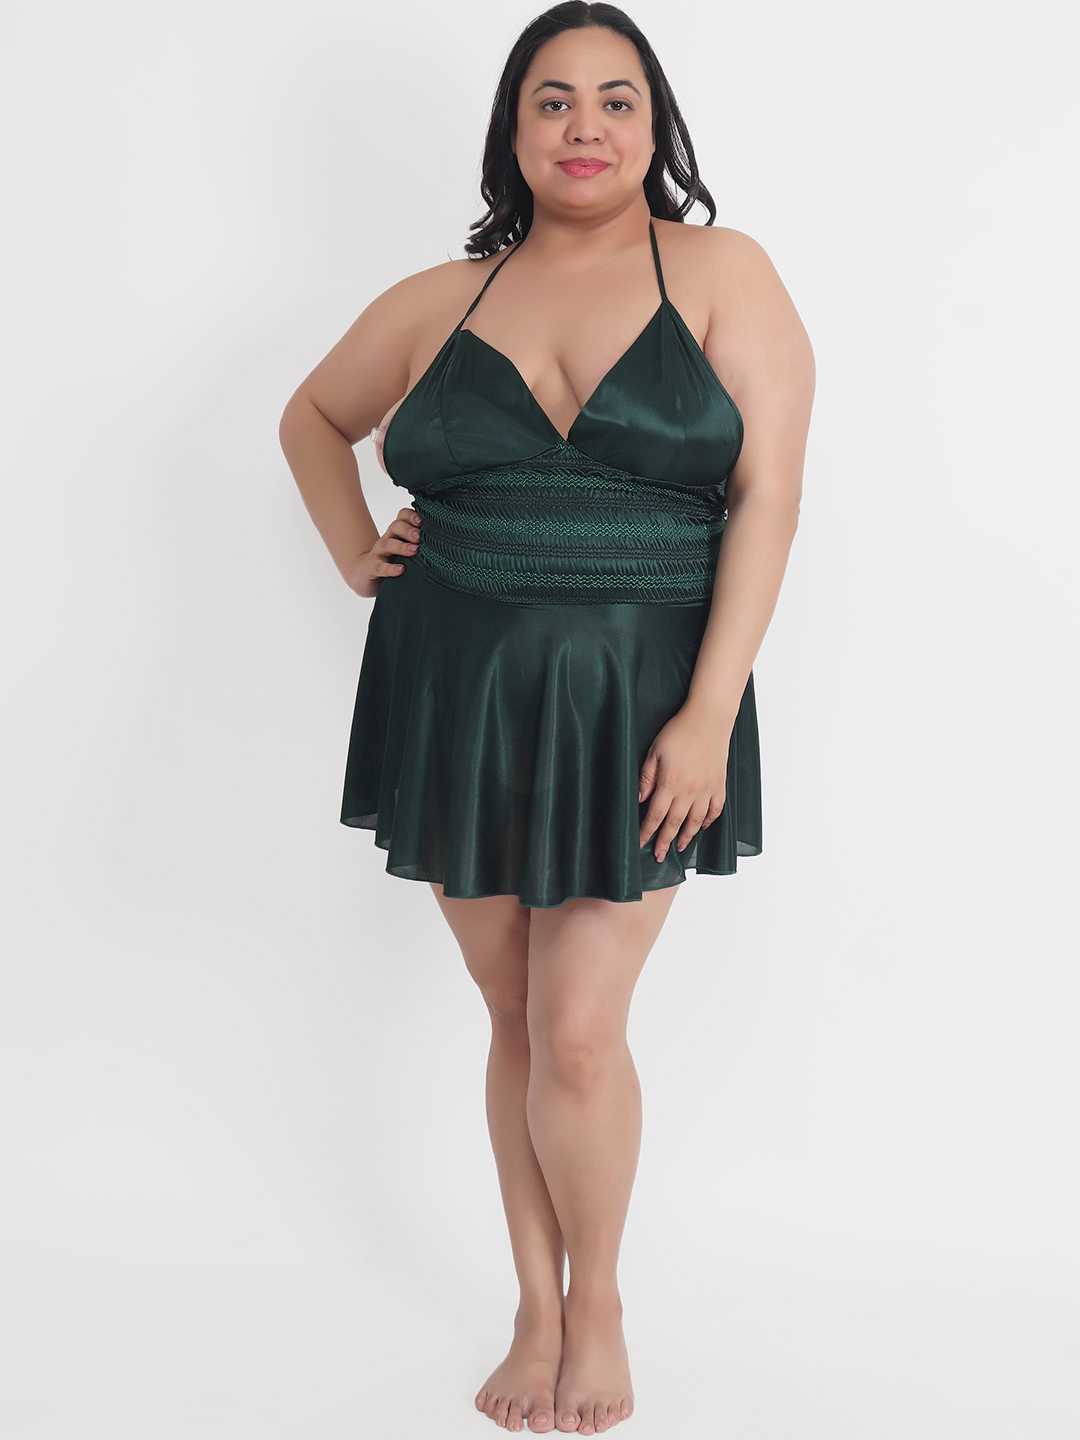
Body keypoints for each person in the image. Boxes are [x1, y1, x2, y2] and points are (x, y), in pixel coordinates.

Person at [278, 4, 814, 1432]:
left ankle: (602, 1309)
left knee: (577, 1028)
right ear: (513, 134)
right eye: (554, 101)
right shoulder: (437, 300)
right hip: (458, 687)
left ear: (656, 127)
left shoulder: (725, 272)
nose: (587, 128)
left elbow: (768, 497)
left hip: (646, 700)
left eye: (617, 101)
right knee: (516, 1013)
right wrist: (355, 552)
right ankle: (534, 1304)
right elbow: (312, 419)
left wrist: (709, 711)